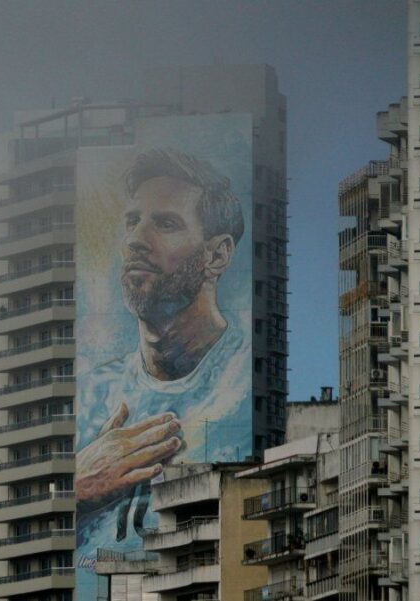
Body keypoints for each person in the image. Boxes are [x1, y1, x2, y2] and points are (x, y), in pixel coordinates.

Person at [76, 148, 251, 550]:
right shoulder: (91, 393)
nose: (136, 240)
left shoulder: (244, 388)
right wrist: (79, 486)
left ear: (217, 254)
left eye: (166, 224)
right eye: (132, 222)